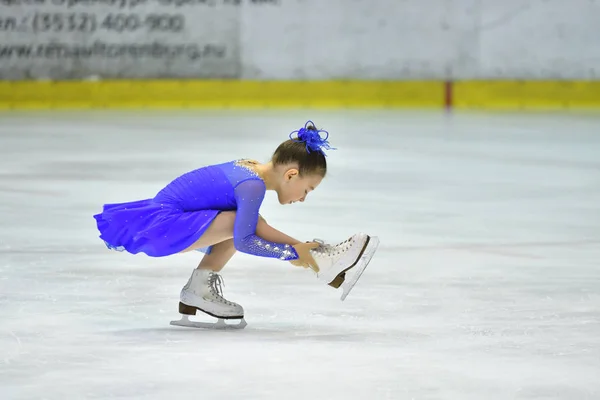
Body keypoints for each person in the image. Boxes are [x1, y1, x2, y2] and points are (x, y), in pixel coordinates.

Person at [93, 121, 378, 328]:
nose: (303, 198)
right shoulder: (252, 185)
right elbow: (244, 240)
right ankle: (317, 259)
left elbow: (255, 225)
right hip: (163, 227)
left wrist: (300, 248)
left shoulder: (250, 168)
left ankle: (318, 258)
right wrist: (291, 254)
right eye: (308, 189)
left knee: (243, 220)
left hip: (167, 223)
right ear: (291, 175)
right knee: (236, 222)